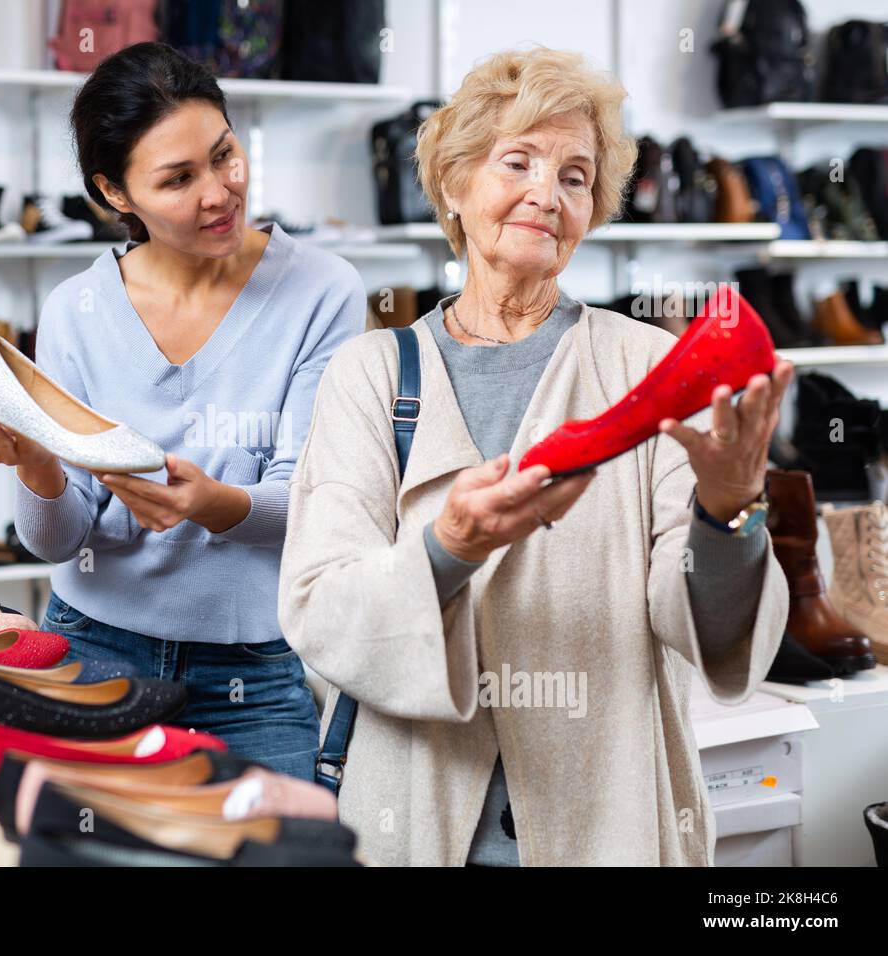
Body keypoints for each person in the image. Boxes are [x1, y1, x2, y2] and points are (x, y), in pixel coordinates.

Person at [278, 47, 795, 864]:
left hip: (608, 817)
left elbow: (702, 626)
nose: (545, 195)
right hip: (414, 817)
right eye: (516, 161)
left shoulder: (646, 366)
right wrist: (448, 549)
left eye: (576, 177)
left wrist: (727, 511)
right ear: (454, 184)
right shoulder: (372, 375)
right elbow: (321, 611)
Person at [0, 42, 362, 780]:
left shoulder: (323, 290)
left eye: (225, 155)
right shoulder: (76, 310)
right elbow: (56, 541)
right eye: (178, 178)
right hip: (92, 650)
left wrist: (212, 505)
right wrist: (40, 465)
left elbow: (311, 498)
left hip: (254, 675)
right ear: (115, 194)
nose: (219, 192)